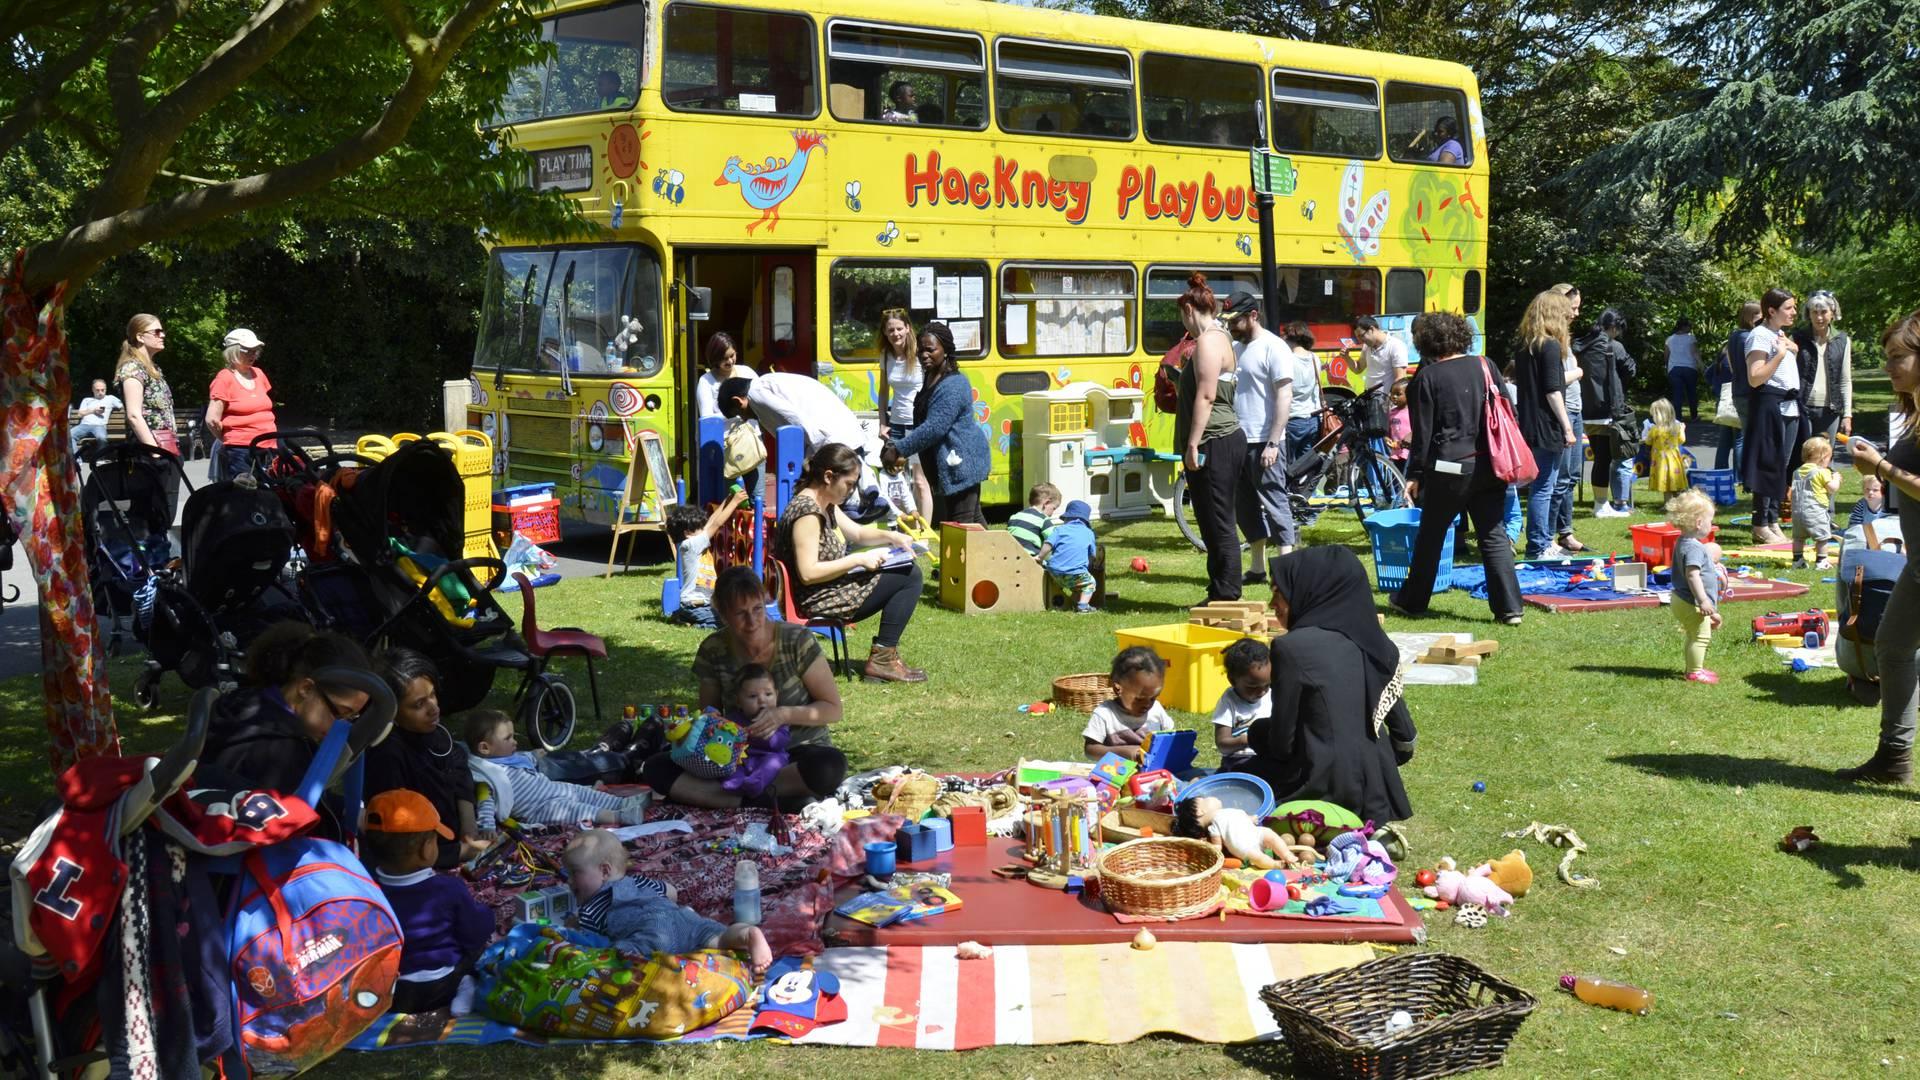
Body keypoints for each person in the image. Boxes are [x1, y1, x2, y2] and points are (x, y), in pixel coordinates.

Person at [641, 566, 853, 805]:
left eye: (758, 609)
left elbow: (833, 709)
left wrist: (782, 715)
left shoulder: (797, 640)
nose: (752, 622)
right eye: (741, 614)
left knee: (829, 766)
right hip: (737, 756)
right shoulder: (714, 648)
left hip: (796, 753)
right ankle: (776, 799)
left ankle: (729, 798)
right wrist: (696, 734)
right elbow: (710, 716)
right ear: (722, 613)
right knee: (655, 767)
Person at [1239, 547, 1415, 825]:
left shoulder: (1291, 648)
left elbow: (1282, 743)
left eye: (1278, 593)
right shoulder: (1375, 641)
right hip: (1378, 786)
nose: (1273, 603)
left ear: (1310, 590)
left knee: (1258, 734)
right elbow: (1405, 736)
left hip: (1325, 781)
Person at [1389, 311, 1523, 624]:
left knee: (1431, 535)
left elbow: (1423, 435)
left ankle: (1412, 601)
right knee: (1493, 534)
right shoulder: (1485, 365)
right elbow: (1509, 411)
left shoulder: (1427, 377)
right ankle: (1509, 608)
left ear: (1426, 342)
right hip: (1490, 464)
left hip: (1449, 468)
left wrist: (1415, 475)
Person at [1837, 310, 1920, 784]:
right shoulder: (1913, 410)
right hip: (1918, 562)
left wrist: (1883, 469)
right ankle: (1894, 758)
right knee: (1891, 645)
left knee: (1894, 646)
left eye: (1897, 358)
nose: (1888, 368)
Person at [200, 623, 373, 834]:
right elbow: (297, 823)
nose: (343, 725)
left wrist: (349, 810)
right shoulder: (283, 752)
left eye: (352, 716)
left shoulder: (244, 703)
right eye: (339, 712)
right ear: (306, 688)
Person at [775, 443, 925, 681]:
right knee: (910, 576)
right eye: (849, 484)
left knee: (907, 570)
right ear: (828, 476)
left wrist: (891, 536)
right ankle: (882, 659)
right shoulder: (808, 514)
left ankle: (883, 657)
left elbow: (857, 533)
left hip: (827, 588)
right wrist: (858, 559)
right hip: (817, 598)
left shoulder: (824, 504)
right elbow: (808, 573)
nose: (851, 491)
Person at [564, 829, 772, 973]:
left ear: (605, 870)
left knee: (617, 958)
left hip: (652, 931)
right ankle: (746, 933)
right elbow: (671, 893)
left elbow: (589, 938)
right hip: (683, 917)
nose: (570, 881)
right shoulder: (640, 881)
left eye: (575, 873)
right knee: (720, 939)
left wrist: (573, 925)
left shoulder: (591, 909)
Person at [362, 789, 489, 1016]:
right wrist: (486, 915)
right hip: (442, 985)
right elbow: (474, 933)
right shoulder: (449, 888)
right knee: (475, 948)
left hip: (393, 992)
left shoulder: (366, 892)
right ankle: (466, 986)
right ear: (426, 849)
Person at [364, 648, 486, 868]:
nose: (434, 708)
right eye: (418, 704)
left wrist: (468, 825)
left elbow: (459, 773)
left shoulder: (432, 732)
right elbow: (395, 841)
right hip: (423, 857)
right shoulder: (386, 757)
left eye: (432, 695)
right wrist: (459, 852)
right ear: (390, 710)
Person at [1174, 272, 1244, 601]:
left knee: (1218, 521)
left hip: (1214, 440)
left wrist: (1192, 443)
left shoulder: (1208, 341)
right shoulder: (1220, 339)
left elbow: (1206, 395)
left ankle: (1227, 594)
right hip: (1220, 439)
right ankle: (1218, 588)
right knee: (1211, 520)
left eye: (1181, 316)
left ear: (1189, 310)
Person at [882, 322, 991, 526]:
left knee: (961, 525)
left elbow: (935, 427)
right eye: (920, 350)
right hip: (952, 461)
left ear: (946, 351)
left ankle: (987, 558)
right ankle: (998, 557)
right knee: (973, 521)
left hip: (963, 461)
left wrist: (899, 449)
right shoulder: (931, 377)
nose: (924, 355)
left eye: (930, 350)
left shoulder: (954, 384)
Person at [464, 709, 649, 828]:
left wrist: (535, 755)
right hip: (540, 808)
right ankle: (618, 816)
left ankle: (621, 803)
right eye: (508, 739)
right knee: (577, 810)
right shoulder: (487, 775)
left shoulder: (508, 757)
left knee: (582, 793)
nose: (515, 741)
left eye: (513, 736)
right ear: (485, 748)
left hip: (554, 789)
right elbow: (485, 803)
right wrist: (487, 827)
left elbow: (523, 759)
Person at [1223, 291, 1295, 576]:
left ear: (1253, 315)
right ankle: (1257, 567)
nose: (1231, 327)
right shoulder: (1236, 349)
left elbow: (1284, 396)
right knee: (1245, 507)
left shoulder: (1274, 347)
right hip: (1239, 440)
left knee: (1275, 501)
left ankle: (1287, 566)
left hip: (1265, 441)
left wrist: (1273, 442)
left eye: (1236, 321)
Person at [1513, 289, 1577, 559]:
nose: (1568, 316)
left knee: (1538, 486)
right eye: (1564, 312)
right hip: (1545, 424)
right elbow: (1553, 391)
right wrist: (1567, 427)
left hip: (1527, 422)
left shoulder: (1525, 345)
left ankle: (1540, 543)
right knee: (1544, 488)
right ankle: (1539, 545)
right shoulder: (1549, 345)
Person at [1743, 288, 1802, 545]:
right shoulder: (1758, 336)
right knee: (1767, 464)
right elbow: (1755, 377)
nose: (1794, 312)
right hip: (1770, 404)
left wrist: (1792, 349)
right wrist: (1779, 354)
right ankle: (1760, 524)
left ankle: (1773, 520)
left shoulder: (1778, 334)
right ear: (1771, 311)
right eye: (1788, 308)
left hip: (1790, 406)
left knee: (1782, 465)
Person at [114, 312, 181, 522]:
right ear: (140, 336)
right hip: (149, 453)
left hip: (165, 449)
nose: (163, 335)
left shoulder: (153, 369)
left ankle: (161, 552)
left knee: (165, 513)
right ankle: (147, 554)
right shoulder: (133, 368)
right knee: (151, 515)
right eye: (157, 331)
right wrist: (156, 454)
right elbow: (134, 415)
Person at [719, 370, 870, 462]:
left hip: (835, 441)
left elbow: (794, 419)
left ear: (738, 401)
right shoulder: (766, 382)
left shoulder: (756, 394)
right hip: (845, 435)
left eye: (740, 414)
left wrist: (814, 458)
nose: (745, 419)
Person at [1575, 308, 1636, 518]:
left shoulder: (1580, 345)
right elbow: (1631, 369)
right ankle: (1601, 506)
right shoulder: (1613, 346)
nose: (1618, 333)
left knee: (1599, 456)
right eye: (1618, 329)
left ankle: (1601, 503)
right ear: (1613, 326)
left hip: (1586, 409)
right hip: (1608, 410)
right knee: (1605, 458)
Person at [875, 309, 933, 519]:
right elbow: (883, 391)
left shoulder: (920, 354)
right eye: (890, 330)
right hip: (896, 425)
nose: (895, 334)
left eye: (899, 328)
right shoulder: (886, 355)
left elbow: (932, 387)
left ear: (908, 329)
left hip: (918, 424)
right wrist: (883, 422)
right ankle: (901, 530)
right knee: (895, 480)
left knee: (919, 480)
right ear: (884, 332)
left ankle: (924, 534)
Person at [664, 488, 751, 628]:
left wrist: (726, 501)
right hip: (696, 605)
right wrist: (734, 503)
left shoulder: (692, 542)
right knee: (724, 624)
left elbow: (711, 521)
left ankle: (683, 617)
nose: (703, 529)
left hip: (693, 604)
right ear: (688, 533)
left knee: (725, 618)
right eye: (699, 527)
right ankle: (696, 625)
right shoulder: (691, 544)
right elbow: (715, 525)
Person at [1666, 489, 1725, 685]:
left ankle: (1692, 668)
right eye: (1710, 520)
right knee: (1701, 636)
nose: (1711, 525)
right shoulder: (1694, 547)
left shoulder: (1683, 542)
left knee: (1693, 635)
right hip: (1690, 601)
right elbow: (1693, 575)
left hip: (1681, 599)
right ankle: (1694, 672)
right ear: (1699, 523)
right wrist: (1703, 601)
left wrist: (1712, 612)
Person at [1545, 286, 1588, 552]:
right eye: (1573, 308)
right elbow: (1553, 381)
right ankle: (1547, 537)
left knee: (1571, 477)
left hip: (1576, 409)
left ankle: (1566, 532)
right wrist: (1579, 372)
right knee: (1558, 480)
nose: (1577, 313)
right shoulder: (1550, 339)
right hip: (1564, 413)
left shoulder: (1566, 337)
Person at [205, 328, 277, 482]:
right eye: (247, 350)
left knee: (273, 490)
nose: (253, 354)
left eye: (255, 350)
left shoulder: (259, 373)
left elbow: (264, 407)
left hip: (269, 444)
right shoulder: (224, 378)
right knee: (246, 493)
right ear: (233, 351)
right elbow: (212, 420)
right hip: (241, 449)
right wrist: (229, 440)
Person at [1082, 646, 1174, 762]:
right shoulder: (1105, 714)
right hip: (1115, 776)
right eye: (1139, 699)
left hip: (1155, 775)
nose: (1147, 704)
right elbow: (1090, 750)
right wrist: (1126, 753)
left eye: (1153, 698)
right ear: (1118, 689)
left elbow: (1171, 739)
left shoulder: (1156, 710)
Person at [1794, 290, 1853, 441]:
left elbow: (1845, 380)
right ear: (1809, 314)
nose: (1819, 317)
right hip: (1801, 407)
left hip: (1830, 410)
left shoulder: (1842, 340)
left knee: (1824, 457)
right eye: (1815, 312)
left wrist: (1847, 414)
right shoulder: (1797, 337)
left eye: (1824, 312)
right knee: (1800, 457)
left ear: (1832, 313)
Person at [1713, 300, 1761, 476]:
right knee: (1742, 438)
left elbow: (1732, 366)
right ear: (1752, 317)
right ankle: (1741, 475)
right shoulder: (1748, 337)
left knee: (1726, 436)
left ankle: (1720, 471)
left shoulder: (1733, 336)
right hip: (1748, 391)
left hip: (1735, 390)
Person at [1211, 638, 1270, 771]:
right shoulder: (1229, 701)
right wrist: (1247, 740)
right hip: (1238, 761)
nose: (1261, 692)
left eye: (1267, 685)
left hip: (1267, 756)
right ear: (1232, 680)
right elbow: (1222, 744)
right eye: (1252, 686)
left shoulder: (1272, 695)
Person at [1791, 436, 1842, 569]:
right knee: (1822, 537)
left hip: (1797, 512)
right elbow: (1832, 488)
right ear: (1823, 457)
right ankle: (1821, 561)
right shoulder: (1822, 472)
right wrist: (1836, 478)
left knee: (1798, 538)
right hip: (1815, 511)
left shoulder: (1797, 472)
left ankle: (1797, 560)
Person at [1039, 499, 1098, 612]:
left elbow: (1048, 544)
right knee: (1089, 583)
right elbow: (1093, 555)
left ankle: (1073, 603)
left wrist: (1040, 557)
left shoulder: (1059, 529)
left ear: (1067, 518)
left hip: (1054, 573)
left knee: (1076, 586)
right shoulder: (1088, 533)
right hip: (1075, 574)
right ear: (1085, 521)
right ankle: (1083, 606)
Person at [1280, 321, 1323, 465]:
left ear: (1288, 337)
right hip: (1312, 419)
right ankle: (1304, 488)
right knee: (1305, 466)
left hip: (1292, 419)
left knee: (1288, 465)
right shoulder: (1314, 358)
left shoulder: (1287, 359)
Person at [695, 332, 757, 421]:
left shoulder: (747, 371)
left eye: (732, 355)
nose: (730, 361)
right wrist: (737, 412)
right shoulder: (706, 381)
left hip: (753, 433)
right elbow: (707, 418)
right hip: (725, 434)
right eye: (724, 358)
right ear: (715, 358)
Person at [1350, 315, 1408, 400]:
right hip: (1370, 401)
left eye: (1361, 335)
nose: (1360, 340)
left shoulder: (1395, 346)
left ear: (1372, 329)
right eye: (1357, 337)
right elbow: (1358, 368)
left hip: (1387, 403)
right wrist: (1346, 358)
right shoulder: (1367, 346)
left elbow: (1400, 379)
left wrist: (1392, 401)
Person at [1646, 398, 1690, 499]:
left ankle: (1668, 503)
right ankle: (1678, 503)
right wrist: (1683, 429)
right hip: (1674, 459)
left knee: (1665, 484)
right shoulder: (1677, 427)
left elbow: (1648, 441)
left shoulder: (1655, 429)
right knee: (1674, 482)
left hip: (1661, 461)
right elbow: (1682, 440)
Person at [1007, 482, 1061, 556]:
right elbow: (1055, 539)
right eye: (1053, 508)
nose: (1052, 514)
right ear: (1046, 503)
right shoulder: (1043, 520)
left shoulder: (1014, 517)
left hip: (1011, 557)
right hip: (1030, 559)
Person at [71, 378, 120, 457]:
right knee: (70, 435)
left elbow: (122, 405)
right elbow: (80, 414)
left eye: (102, 390)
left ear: (106, 389)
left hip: (99, 426)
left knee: (102, 438)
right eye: (97, 390)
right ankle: (76, 460)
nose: (100, 392)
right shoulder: (87, 400)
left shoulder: (111, 398)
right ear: (93, 390)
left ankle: (100, 459)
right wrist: (93, 411)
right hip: (84, 425)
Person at [1665, 318, 1701, 422]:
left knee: (1677, 393)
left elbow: (1666, 355)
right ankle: (1694, 416)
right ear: (1684, 326)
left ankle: (1678, 417)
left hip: (1674, 368)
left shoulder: (1670, 339)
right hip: (1690, 367)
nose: (1690, 328)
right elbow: (1695, 352)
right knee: (1691, 392)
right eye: (1689, 326)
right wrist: (1700, 364)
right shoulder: (1691, 338)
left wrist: (1666, 366)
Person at [1385, 377, 1412, 464]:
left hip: (1409, 452)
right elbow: (1388, 431)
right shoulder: (1391, 413)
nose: (1394, 397)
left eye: (1398, 394)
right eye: (1392, 394)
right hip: (1395, 453)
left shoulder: (1413, 412)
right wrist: (1386, 438)